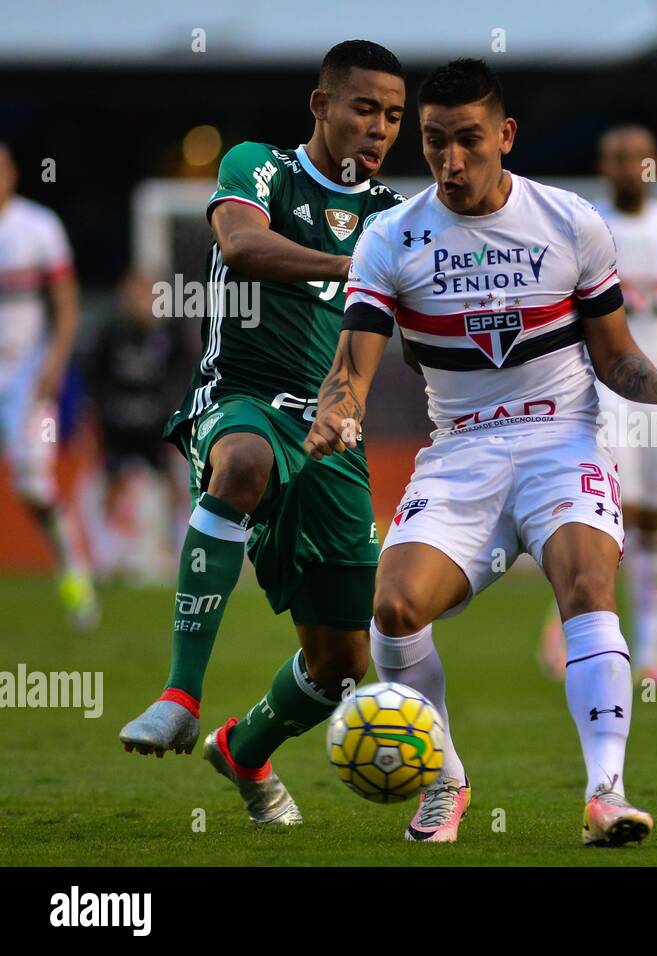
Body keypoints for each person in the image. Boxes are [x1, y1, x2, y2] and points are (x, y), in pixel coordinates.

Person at [304, 59, 657, 846]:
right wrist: (339, 414)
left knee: (586, 583)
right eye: (434, 143)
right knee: (393, 612)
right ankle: (447, 782)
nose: (450, 161)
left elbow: (617, 359)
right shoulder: (390, 239)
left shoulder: (570, 223)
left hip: (561, 443)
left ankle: (606, 793)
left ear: (505, 135)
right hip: (459, 453)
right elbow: (350, 369)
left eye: (468, 140)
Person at [118, 41, 407, 829]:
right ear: (321, 105)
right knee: (240, 461)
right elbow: (241, 246)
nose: (379, 128)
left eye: (393, 116)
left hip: (330, 428)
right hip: (241, 398)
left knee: (344, 664)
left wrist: (346, 405)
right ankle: (180, 695)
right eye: (363, 108)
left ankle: (243, 747)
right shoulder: (260, 166)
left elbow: (376, 337)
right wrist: (356, 266)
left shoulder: (393, 216)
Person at [537, 124, 657, 691]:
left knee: (656, 519)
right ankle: (566, 631)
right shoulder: (583, 228)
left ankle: (650, 654)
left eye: (638, 157)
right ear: (603, 167)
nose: (628, 167)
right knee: (603, 514)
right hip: (603, 390)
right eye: (616, 158)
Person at [0, 141, 98, 629]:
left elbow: (65, 302)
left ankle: (75, 577)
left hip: (26, 378)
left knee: (34, 488)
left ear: (13, 172)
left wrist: (56, 363)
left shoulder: (38, 227)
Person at [87, 270, 190, 579]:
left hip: (156, 427)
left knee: (172, 487)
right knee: (108, 487)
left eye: (146, 294)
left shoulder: (171, 334)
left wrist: (175, 415)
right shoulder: (111, 333)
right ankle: (104, 556)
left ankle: (175, 553)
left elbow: (185, 375)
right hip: (118, 425)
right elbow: (94, 375)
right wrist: (101, 411)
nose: (140, 301)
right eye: (135, 293)